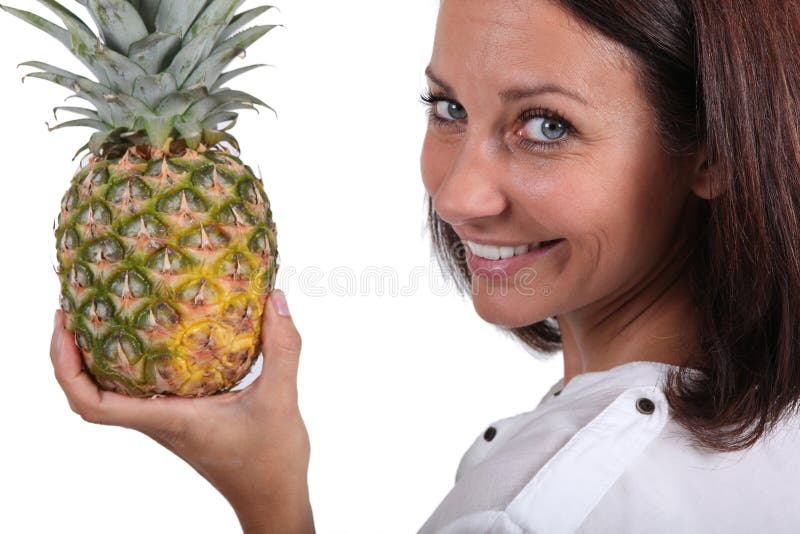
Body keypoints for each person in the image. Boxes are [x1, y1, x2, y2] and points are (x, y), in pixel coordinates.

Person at [50, 0, 800, 532]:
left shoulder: (526, 515)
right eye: (447, 107)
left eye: (546, 125)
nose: (456, 197)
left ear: (714, 148)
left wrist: (267, 500)